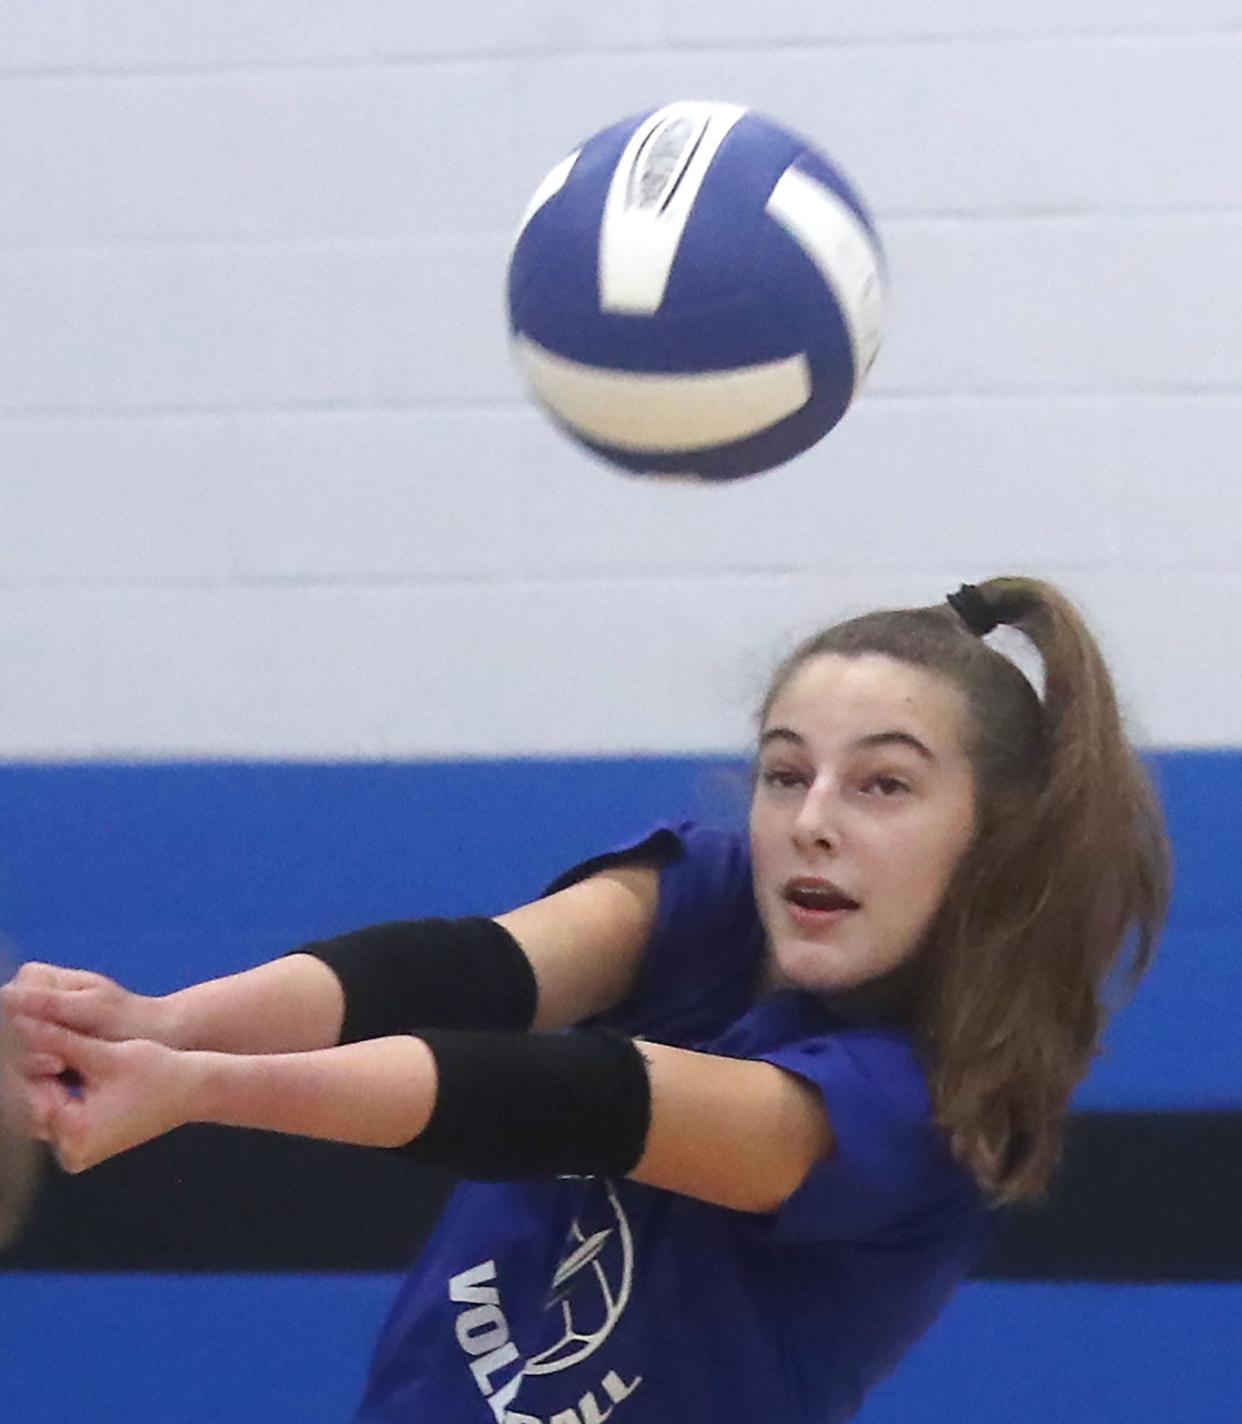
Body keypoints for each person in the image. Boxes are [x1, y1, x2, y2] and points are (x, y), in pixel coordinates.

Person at [2, 576, 1170, 1423]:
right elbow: (476, 972)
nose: (812, 814)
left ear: (994, 841)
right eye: (784, 769)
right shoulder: (717, 894)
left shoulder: (917, 1115)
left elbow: (583, 1099)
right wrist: (168, 1020)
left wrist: (202, 1087)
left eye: (884, 782)